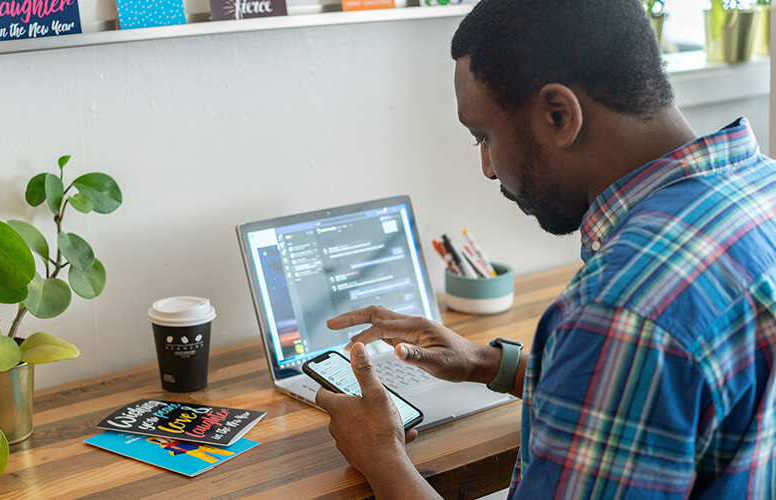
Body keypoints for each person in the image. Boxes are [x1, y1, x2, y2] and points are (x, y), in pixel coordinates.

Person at [314, 0, 776, 498]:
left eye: (483, 137)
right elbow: (665, 400)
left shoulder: (620, 310)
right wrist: (489, 364)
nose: (488, 168)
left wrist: (382, 457)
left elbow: (635, 350)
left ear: (559, 115)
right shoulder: (762, 190)